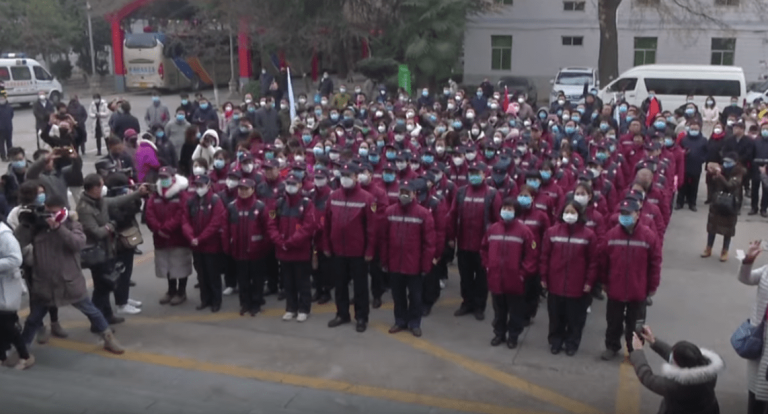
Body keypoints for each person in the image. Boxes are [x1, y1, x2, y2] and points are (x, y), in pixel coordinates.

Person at [16, 194, 124, 354]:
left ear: (62, 212)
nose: (49, 216)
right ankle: (22, 350)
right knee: (33, 320)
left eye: (53, 213)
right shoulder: (38, 228)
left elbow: (78, 243)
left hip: (69, 282)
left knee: (92, 311)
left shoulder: (73, 226)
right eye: (47, 212)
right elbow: (18, 242)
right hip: (45, 284)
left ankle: (108, 338)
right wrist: (26, 224)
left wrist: (59, 228)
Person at [76, 174, 147, 323]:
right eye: (101, 186)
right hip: (96, 253)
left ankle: (107, 315)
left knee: (106, 285)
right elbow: (96, 232)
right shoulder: (85, 208)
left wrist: (137, 193)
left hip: (107, 251)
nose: (103, 189)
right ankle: (97, 321)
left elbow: (117, 200)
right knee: (101, 289)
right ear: (94, 188)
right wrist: (111, 226)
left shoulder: (99, 201)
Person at [599, 199, 662, 361]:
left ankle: (634, 352)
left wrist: (653, 286)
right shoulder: (611, 235)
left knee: (635, 326)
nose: (624, 216)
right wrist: (604, 282)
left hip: (638, 290)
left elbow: (655, 263)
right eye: (623, 213)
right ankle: (611, 347)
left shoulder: (648, 237)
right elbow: (603, 262)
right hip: (616, 289)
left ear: (638, 214)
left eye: (628, 214)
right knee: (613, 321)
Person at [323, 163, 377, 333]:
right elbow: (327, 224)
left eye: (349, 175)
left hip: (358, 251)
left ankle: (361, 317)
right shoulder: (333, 197)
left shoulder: (367, 198)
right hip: (338, 249)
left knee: (360, 287)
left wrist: (369, 250)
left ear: (356, 177)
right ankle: (342, 313)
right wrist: (327, 245)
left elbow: (371, 228)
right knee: (340, 284)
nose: (345, 179)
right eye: (343, 175)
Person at [540, 201, 598, 356]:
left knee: (575, 318)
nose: (570, 215)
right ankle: (555, 341)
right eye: (567, 211)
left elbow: (593, 262)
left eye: (573, 212)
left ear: (579, 214)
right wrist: (544, 277)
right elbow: (544, 256)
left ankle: (572, 343)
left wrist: (589, 282)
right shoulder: (552, 232)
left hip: (577, 286)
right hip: (555, 283)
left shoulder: (589, 235)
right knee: (556, 316)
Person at [447, 162, 501, 321]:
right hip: (464, 242)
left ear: (485, 174)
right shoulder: (462, 192)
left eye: (477, 173)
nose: (474, 176)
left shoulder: (492, 194)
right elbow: (453, 214)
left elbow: (497, 219)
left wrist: (493, 242)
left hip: (483, 245)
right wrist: (451, 237)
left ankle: (479, 306)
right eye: (471, 173)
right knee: (465, 276)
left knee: (482, 278)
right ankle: (467, 303)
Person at [480, 197, 537, 349]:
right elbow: (484, 248)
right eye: (504, 208)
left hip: (515, 280)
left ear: (516, 212)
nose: (506, 211)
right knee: (499, 310)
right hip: (496, 278)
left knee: (515, 311)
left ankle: (513, 336)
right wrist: (487, 266)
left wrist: (522, 274)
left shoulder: (524, 231)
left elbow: (531, 255)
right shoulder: (493, 229)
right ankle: (499, 334)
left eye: (510, 209)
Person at [382, 180, 435, 337]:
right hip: (395, 263)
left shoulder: (423, 214)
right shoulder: (390, 212)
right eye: (402, 192)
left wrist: (426, 265)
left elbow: (429, 243)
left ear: (414, 194)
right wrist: (385, 261)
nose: (404, 195)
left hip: (414, 265)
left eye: (408, 192)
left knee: (415, 297)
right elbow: (384, 239)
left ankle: (414, 323)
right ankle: (400, 321)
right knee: (398, 296)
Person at [629, 325, 724, 414]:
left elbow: (647, 378)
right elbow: (676, 356)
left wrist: (638, 351)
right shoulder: (710, 373)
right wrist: (653, 341)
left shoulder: (675, 386)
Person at [222, 178, 275, 316]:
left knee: (257, 280)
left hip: (257, 252)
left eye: (246, 189)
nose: (243, 192)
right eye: (241, 189)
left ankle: (256, 304)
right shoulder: (231, 207)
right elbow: (225, 228)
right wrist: (228, 247)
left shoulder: (260, 207)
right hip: (239, 252)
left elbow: (268, 229)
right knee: (243, 280)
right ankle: (245, 304)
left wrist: (264, 247)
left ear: (252, 190)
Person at [269, 174, 317, 322]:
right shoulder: (278, 204)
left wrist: (291, 241)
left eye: (294, 183)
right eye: (288, 183)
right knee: (288, 282)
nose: (290, 186)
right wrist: (279, 240)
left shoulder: (307, 203)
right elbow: (271, 224)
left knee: (303, 282)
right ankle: (291, 307)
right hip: (283, 251)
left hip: (300, 250)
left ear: (300, 185)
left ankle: (304, 308)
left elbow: (308, 227)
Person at [146, 167, 192, 305]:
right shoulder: (156, 195)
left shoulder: (182, 195)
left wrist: (166, 228)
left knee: (180, 265)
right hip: (161, 238)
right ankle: (171, 290)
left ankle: (181, 292)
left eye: (166, 177)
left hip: (178, 237)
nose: (164, 180)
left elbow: (182, 214)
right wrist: (158, 228)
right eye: (162, 177)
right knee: (166, 265)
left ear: (173, 178)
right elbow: (149, 213)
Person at [182, 174, 226, 313]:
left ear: (208, 185)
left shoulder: (215, 200)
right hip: (196, 245)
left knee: (213, 274)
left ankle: (216, 301)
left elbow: (215, 223)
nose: (199, 188)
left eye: (201, 185)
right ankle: (205, 299)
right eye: (197, 185)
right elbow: (185, 221)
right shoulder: (191, 201)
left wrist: (200, 238)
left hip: (211, 244)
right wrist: (191, 237)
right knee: (201, 274)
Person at [104, 172, 143, 315]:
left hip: (128, 239)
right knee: (121, 272)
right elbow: (121, 218)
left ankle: (125, 298)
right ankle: (121, 303)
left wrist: (135, 198)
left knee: (128, 271)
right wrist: (130, 202)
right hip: (118, 242)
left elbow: (136, 209)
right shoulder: (111, 202)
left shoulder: (124, 199)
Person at [738, 240, 768, 413]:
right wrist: (748, 259)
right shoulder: (766, 271)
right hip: (760, 337)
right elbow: (745, 278)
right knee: (756, 386)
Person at [702, 153, 744, 261]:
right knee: (712, 226)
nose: (726, 164)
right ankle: (708, 248)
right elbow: (710, 183)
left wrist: (720, 177)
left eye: (729, 162)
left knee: (728, 228)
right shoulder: (719, 169)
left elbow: (730, 186)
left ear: (735, 163)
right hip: (717, 201)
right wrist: (711, 174)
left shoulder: (738, 172)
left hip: (731, 203)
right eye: (725, 162)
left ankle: (725, 251)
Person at [0, 218, 29, 369]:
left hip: (7, 286)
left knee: (7, 324)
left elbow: (16, 259)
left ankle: (25, 355)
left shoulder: (4, 235)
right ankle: (2, 355)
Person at [677, 121, 707, 211]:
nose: (694, 130)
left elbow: (706, 152)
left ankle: (692, 203)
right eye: (692, 129)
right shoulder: (684, 139)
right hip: (684, 165)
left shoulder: (703, 140)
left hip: (696, 166)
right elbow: (679, 149)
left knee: (694, 186)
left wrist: (702, 159)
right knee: (682, 185)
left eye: (696, 129)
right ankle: (680, 203)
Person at [0, 91, 13, 161]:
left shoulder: (9, 107)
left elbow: (11, 115)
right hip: (0, 129)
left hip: (8, 127)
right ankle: (3, 156)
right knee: (1, 143)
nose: (2, 99)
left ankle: (10, 155)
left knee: (9, 142)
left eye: (3, 97)